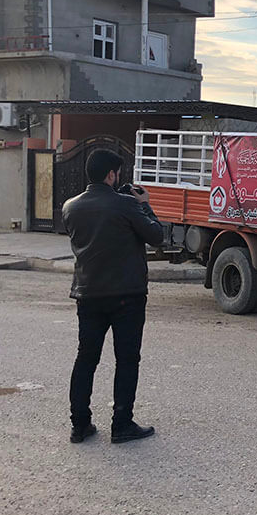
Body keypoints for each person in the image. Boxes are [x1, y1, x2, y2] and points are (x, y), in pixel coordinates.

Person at [62, 150, 165, 444]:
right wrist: (144, 204)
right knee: (127, 360)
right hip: (126, 296)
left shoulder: (70, 207)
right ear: (111, 174)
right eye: (117, 173)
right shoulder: (127, 204)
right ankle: (121, 424)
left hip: (87, 294)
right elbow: (156, 236)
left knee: (86, 359)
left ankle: (80, 424)